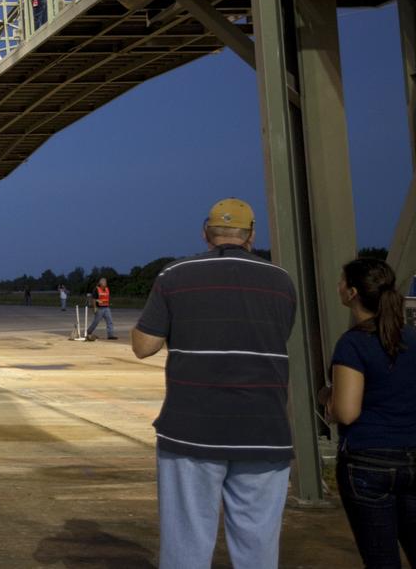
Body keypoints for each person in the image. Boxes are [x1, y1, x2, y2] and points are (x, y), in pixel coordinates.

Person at [132, 198, 296, 569]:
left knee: (186, 544)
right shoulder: (281, 281)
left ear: (206, 233)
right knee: (258, 546)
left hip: (192, 432)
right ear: (252, 235)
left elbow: (144, 347)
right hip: (264, 431)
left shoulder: (174, 276)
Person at [321, 258, 416, 567]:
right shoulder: (412, 338)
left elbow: (346, 413)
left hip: (368, 463)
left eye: (340, 281)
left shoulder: (353, 344)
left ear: (351, 293)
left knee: (382, 561)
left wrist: (327, 400)